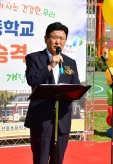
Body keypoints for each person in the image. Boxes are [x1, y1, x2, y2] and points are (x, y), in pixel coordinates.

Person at [25, 22, 81, 164]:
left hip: (62, 119)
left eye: (62, 38)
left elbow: (76, 86)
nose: (58, 41)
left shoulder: (70, 62)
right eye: (54, 37)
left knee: (58, 160)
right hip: (42, 119)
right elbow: (32, 79)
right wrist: (50, 65)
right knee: (40, 160)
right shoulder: (34, 58)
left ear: (65, 41)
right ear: (46, 39)